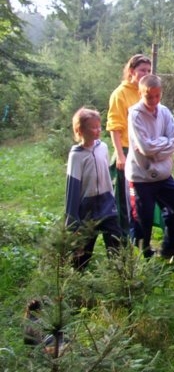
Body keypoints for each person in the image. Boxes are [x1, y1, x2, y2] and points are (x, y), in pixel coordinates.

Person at [125, 74, 174, 259]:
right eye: (149, 96)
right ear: (140, 93)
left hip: (163, 174)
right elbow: (145, 147)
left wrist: (156, 150)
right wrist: (162, 144)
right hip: (141, 176)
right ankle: (144, 253)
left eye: (157, 96)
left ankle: (169, 248)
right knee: (143, 217)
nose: (153, 100)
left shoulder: (165, 112)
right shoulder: (135, 114)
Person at [65, 107, 122, 270]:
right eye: (93, 127)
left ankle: (120, 274)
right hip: (87, 208)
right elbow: (72, 188)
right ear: (80, 130)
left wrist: (112, 199)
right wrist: (72, 221)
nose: (98, 130)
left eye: (99, 126)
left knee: (115, 241)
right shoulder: (76, 155)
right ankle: (76, 276)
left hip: (106, 203)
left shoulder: (102, 147)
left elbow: (107, 176)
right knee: (83, 249)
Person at [106, 54, 152, 239]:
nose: (146, 74)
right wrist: (120, 155)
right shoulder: (120, 94)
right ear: (132, 71)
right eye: (142, 70)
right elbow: (114, 127)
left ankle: (140, 238)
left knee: (143, 198)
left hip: (143, 151)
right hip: (126, 151)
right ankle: (122, 240)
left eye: (149, 70)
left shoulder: (145, 92)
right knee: (124, 200)